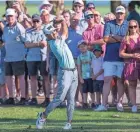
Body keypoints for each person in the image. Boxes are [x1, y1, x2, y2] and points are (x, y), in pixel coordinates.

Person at [36, 17, 78, 130]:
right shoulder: (55, 43)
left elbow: (64, 32)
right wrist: (64, 21)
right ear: (48, 35)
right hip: (65, 73)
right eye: (52, 32)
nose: (55, 32)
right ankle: (43, 116)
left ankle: (69, 122)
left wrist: (63, 21)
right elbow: (65, 32)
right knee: (60, 98)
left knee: (71, 99)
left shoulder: (57, 39)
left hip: (74, 72)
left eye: (54, 31)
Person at [96, 5, 128, 111]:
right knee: (107, 80)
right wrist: (120, 38)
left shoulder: (128, 24)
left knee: (120, 80)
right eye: (118, 13)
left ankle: (119, 103)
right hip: (109, 57)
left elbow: (126, 40)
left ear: (124, 14)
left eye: (121, 13)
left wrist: (113, 36)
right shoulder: (109, 23)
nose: (120, 15)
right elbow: (105, 39)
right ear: (116, 13)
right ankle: (104, 104)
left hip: (121, 57)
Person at [2, 8, 26, 105]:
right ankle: (11, 97)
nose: (9, 18)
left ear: (15, 16)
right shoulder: (5, 28)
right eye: (8, 16)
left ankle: (23, 98)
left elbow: (25, 40)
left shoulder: (19, 27)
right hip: (8, 57)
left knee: (20, 77)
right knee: (8, 77)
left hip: (19, 57)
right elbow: (4, 41)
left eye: (11, 16)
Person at [25, 14, 48, 105]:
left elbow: (45, 44)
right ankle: (34, 98)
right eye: (34, 21)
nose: (35, 23)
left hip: (43, 57)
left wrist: (33, 44)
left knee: (45, 78)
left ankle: (47, 99)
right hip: (31, 58)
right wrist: (38, 44)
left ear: (41, 22)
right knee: (33, 78)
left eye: (37, 21)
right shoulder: (28, 31)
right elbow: (27, 44)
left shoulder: (45, 31)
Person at [119, 20, 140, 113]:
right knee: (132, 85)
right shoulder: (125, 39)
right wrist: (132, 55)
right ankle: (134, 106)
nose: (133, 29)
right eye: (131, 27)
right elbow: (121, 54)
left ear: (137, 26)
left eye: (135, 26)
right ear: (128, 28)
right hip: (131, 64)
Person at [77, 40, 95, 108]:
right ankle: (85, 103)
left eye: (84, 46)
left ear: (87, 46)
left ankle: (93, 102)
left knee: (92, 90)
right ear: (78, 48)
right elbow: (79, 67)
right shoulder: (79, 57)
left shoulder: (90, 54)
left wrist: (90, 62)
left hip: (91, 76)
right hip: (84, 77)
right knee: (84, 90)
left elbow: (95, 63)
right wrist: (80, 77)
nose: (82, 48)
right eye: (81, 47)